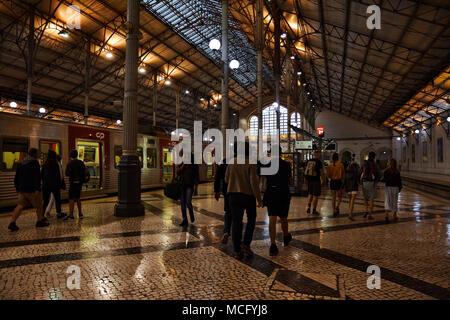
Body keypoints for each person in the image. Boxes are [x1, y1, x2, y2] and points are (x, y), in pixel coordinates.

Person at [225, 142, 262, 259]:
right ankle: (246, 244)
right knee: (251, 220)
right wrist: (259, 199)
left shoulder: (231, 162)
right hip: (248, 196)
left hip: (233, 196)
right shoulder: (251, 162)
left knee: (236, 222)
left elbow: (226, 179)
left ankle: (237, 250)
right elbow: (254, 182)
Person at [8, 148, 49, 231]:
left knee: (20, 205)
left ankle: (12, 222)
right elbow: (37, 177)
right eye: (37, 154)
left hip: (22, 189)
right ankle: (39, 221)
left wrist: (17, 188)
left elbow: (17, 177)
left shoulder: (21, 163)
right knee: (39, 206)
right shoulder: (35, 163)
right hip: (32, 189)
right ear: (34, 154)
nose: (38, 155)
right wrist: (38, 188)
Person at [263, 147, 292, 256]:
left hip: (271, 192)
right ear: (281, 154)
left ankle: (273, 244)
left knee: (272, 217)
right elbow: (290, 179)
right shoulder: (286, 165)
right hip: (283, 192)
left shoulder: (267, 165)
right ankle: (285, 237)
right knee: (283, 217)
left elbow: (265, 178)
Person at [42, 151, 66, 219]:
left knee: (45, 200)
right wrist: (60, 184)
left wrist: (44, 182)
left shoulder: (45, 164)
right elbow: (59, 175)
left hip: (46, 185)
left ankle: (42, 215)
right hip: (55, 185)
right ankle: (59, 213)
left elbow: (42, 175)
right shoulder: (56, 164)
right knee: (58, 199)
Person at [65, 150, 88, 220]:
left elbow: (67, 173)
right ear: (77, 155)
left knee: (71, 198)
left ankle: (71, 214)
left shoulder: (69, 163)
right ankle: (80, 213)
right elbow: (85, 171)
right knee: (78, 198)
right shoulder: (81, 163)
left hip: (73, 183)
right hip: (79, 183)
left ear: (70, 156)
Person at [177, 153, 199, 226]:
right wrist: (183, 166)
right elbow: (178, 173)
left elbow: (196, 177)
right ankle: (184, 219)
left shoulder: (194, 166)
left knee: (188, 201)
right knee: (182, 204)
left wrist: (196, 188)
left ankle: (191, 213)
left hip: (190, 186)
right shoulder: (182, 164)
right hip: (182, 186)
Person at [214, 157, 231, 244]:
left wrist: (216, 191)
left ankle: (227, 231)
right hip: (239, 192)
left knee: (228, 212)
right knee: (237, 214)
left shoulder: (225, 163)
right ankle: (236, 235)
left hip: (227, 191)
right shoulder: (242, 162)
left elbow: (217, 176)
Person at [360, 151, 380, 220]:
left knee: (365, 198)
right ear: (374, 157)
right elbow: (378, 174)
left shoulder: (364, 163)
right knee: (371, 198)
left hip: (364, 182)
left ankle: (366, 210)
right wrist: (376, 181)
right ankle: (370, 214)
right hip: (372, 182)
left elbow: (360, 172)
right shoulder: (374, 164)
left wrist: (360, 181)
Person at [382, 159, 402, 223]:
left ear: (390, 163)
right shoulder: (397, 171)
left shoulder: (386, 171)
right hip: (395, 188)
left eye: (388, 162)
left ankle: (386, 215)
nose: (387, 163)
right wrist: (399, 188)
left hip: (388, 188)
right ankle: (394, 215)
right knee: (395, 201)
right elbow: (399, 181)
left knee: (388, 201)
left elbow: (385, 180)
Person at [304, 151, 324, 215]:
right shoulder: (318, 162)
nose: (320, 156)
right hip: (316, 180)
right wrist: (323, 180)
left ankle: (308, 207)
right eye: (320, 155)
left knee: (310, 194)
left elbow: (305, 171)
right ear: (317, 155)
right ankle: (314, 210)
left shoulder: (308, 161)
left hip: (310, 180)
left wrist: (305, 179)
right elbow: (322, 172)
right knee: (315, 195)